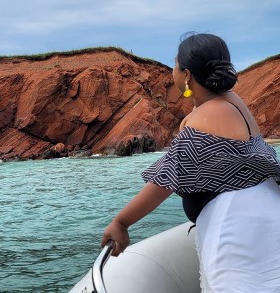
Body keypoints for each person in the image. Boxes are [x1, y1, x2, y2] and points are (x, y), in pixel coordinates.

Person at [101, 33, 280, 292]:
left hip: (237, 232)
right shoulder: (235, 102)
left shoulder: (199, 121)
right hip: (269, 216)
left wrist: (121, 222)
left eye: (174, 64)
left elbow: (164, 180)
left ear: (186, 75)